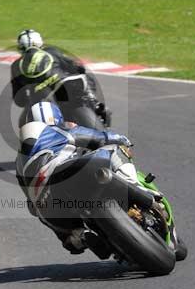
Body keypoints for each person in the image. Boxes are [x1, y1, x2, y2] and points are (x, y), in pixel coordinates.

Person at [16, 101, 135, 256]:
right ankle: (133, 184)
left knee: (48, 215)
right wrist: (119, 138)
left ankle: (77, 236)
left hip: (45, 203)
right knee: (113, 150)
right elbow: (97, 138)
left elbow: (30, 203)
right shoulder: (59, 129)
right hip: (70, 169)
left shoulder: (19, 160)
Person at [10, 29, 111, 128]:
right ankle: (95, 104)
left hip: (41, 98)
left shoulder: (16, 66)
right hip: (64, 84)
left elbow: (19, 100)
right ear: (40, 42)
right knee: (85, 78)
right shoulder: (51, 51)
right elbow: (77, 67)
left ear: (21, 47)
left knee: (24, 123)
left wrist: (29, 99)